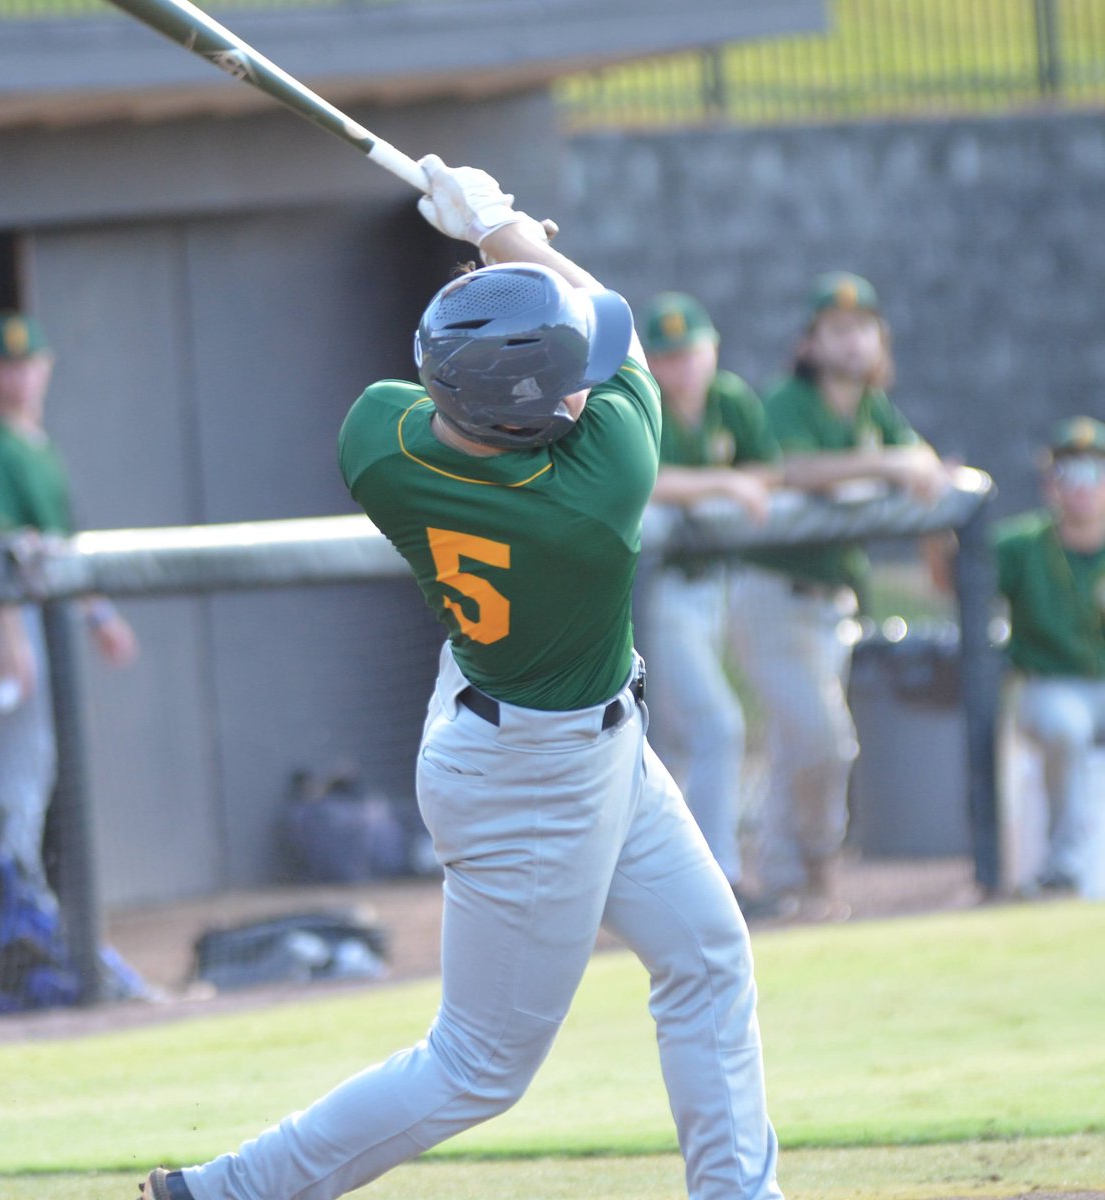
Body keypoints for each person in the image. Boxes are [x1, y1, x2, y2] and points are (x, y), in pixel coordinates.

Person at [137, 158, 783, 1200]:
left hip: (532, 733)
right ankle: (226, 1191)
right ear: (535, 417)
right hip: (543, 777)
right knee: (478, 1068)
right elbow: (609, 324)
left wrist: (493, 266)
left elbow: (523, 354)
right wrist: (502, 227)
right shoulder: (597, 494)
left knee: (707, 956)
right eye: (564, 379)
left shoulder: (378, 437)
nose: (586, 380)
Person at [729, 272, 948, 919]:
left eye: (863, 329)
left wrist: (920, 465)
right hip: (772, 594)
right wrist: (888, 466)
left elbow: (920, 458)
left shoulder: (873, 406)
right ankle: (821, 876)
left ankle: (779, 882)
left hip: (833, 603)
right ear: (811, 342)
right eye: (837, 330)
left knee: (800, 743)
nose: (852, 343)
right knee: (826, 741)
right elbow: (790, 470)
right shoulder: (789, 400)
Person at [0, 311, 140, 1010]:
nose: (18, 374)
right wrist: (7, 642)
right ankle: (19, 895)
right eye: (5, 365)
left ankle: (29, 892)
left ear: (45, 366)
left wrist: (99, 615)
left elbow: (62, 545)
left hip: (52, 614)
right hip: (18, 617)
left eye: (27, 361)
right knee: (25, 758)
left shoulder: (39, 446)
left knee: (43, 758)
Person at [637, 292, 784, 915]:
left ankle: (684, 876)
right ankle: (713, 874)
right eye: (669, 356)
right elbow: (641, 478)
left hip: (714, 586)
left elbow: (772, 471)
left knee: (688, 735)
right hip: (656, 589)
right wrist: (721, 484)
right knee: (712, 727)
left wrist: (727, 484)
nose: (683, 366)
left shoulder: (729, 399)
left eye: (692, 351)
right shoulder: (641, 400)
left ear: (712, 349)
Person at [992, 416, 1105, 895]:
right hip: (1047, 684)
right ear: (1049, 485)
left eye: (1093, 474)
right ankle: (1064, 869)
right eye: (1068, 473)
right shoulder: (1021, 544)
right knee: (1067, 727)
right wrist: (934, 539)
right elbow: (951, 582)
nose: (1081, 488)